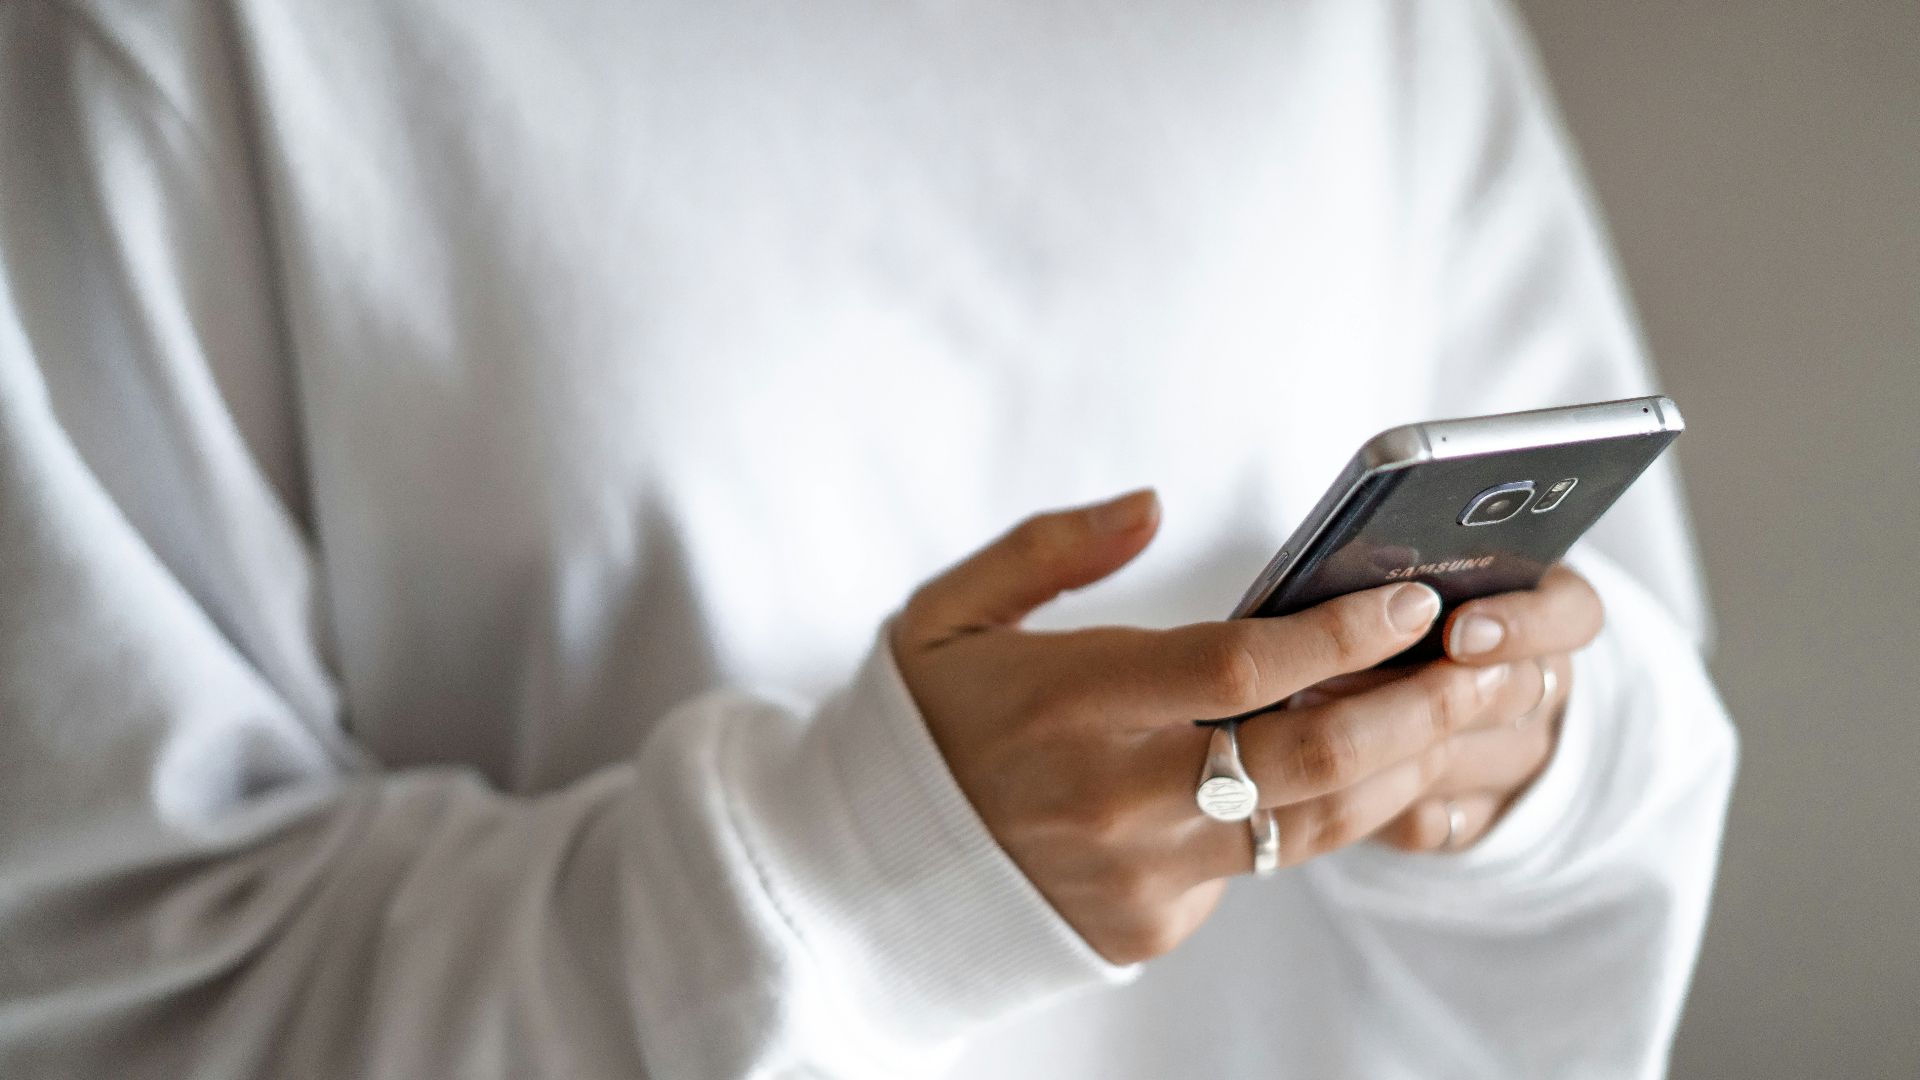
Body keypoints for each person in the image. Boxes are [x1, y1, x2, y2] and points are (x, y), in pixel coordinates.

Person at [0, 0, 1735, 1076]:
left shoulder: (1370, 28)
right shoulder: (169, 41)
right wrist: (860, 872)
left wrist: (1517, 758)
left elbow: (1636, 691)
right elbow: (99, 985)